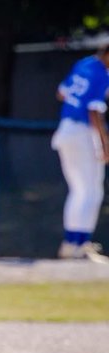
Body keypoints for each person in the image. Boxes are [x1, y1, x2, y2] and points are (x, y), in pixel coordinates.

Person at [51, 44, 109, 262]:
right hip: (83, 131)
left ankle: (70, 244)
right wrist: (105, 144)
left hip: (65, 129)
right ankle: (80, 244)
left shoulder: (83, 64)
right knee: (92, 189)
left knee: (78, 189)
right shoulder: (101, 72)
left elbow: (61, 93)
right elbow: (93, 111)